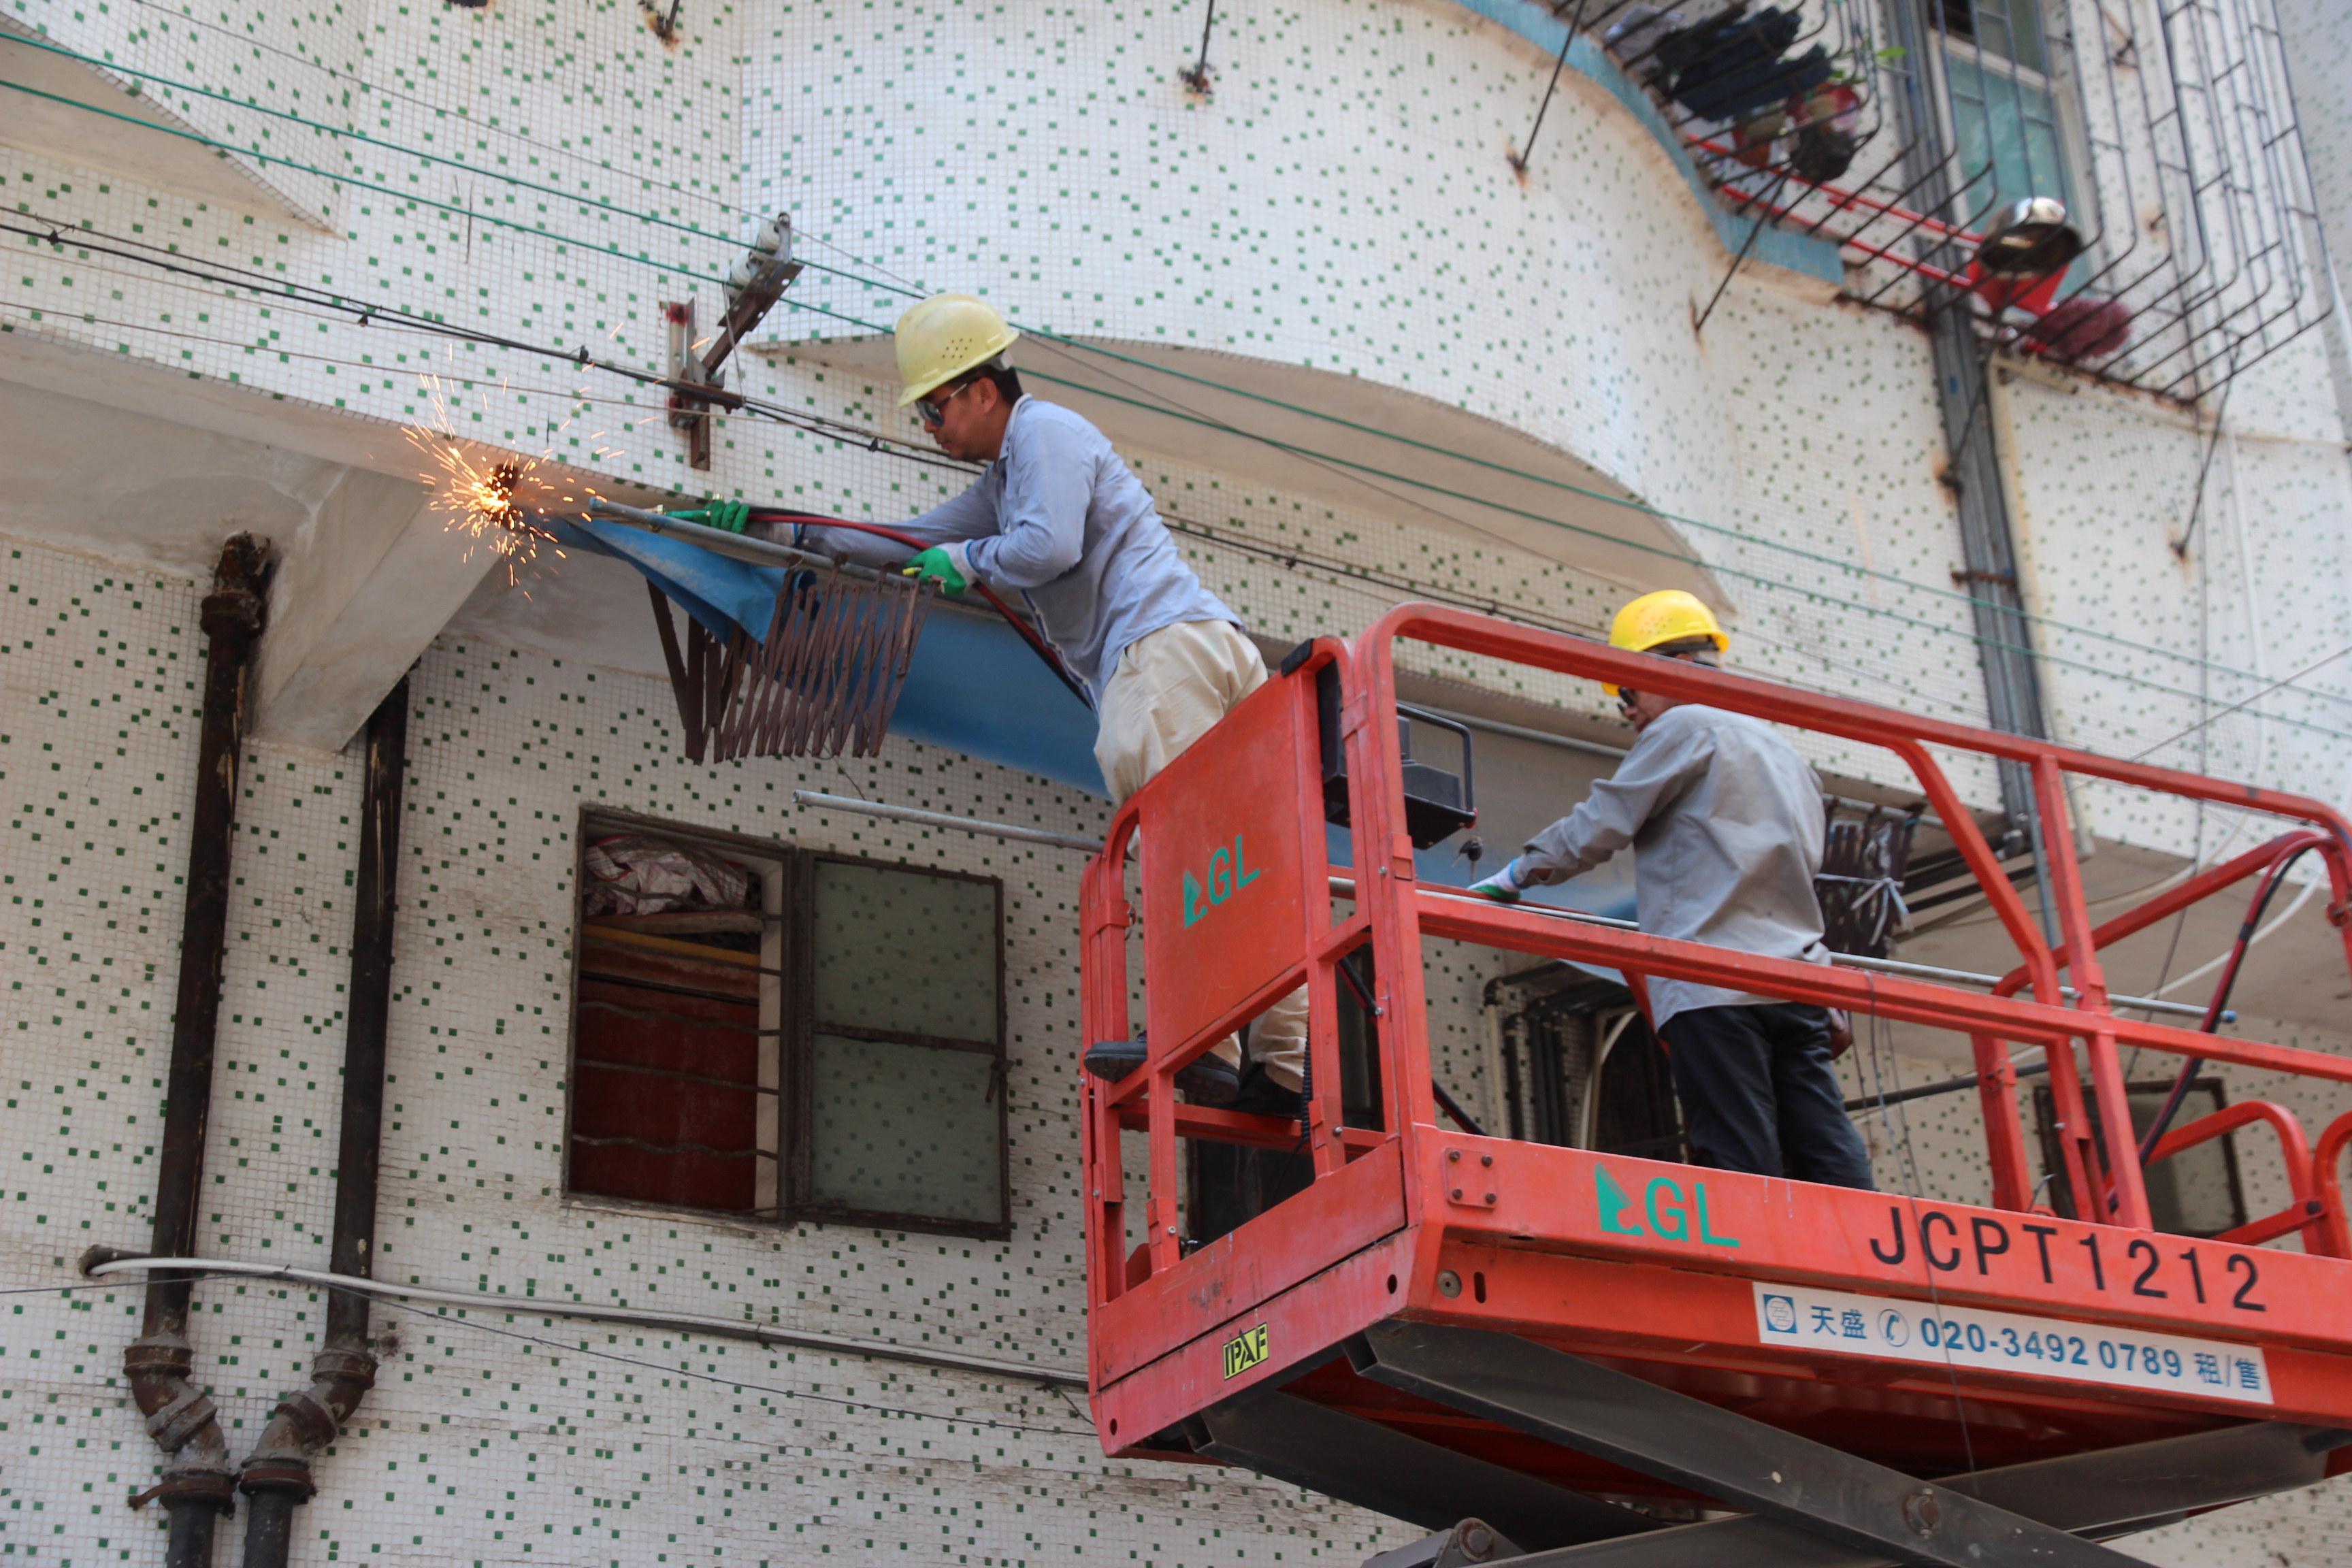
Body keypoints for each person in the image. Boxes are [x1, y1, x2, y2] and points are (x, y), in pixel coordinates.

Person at [785, 291, 1305, 1115]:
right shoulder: (1010, 474)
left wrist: (970, 561)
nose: (930, 427)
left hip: (1159, 654)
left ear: (982, 388)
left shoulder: (1046, 432)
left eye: (933, 407)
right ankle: (1281, 1070)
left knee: (1183, 848)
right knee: (1245, 853)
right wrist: (797, 535)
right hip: (1197, 649)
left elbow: (1047, 546)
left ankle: (1201, 1040)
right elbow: (917, 539)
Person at [1467, 590, 1874, 1190]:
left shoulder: (1684, 725)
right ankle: (1868, 1254)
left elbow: (1604, 821)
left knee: (1737, 1148)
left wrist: (1514, 876)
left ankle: (1747, 1270)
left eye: (1626, 691)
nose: (1628, 712)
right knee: (1822, 1135)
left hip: (1711, 973)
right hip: (1797, 980)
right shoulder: (1785, 751)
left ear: (1664, 667)